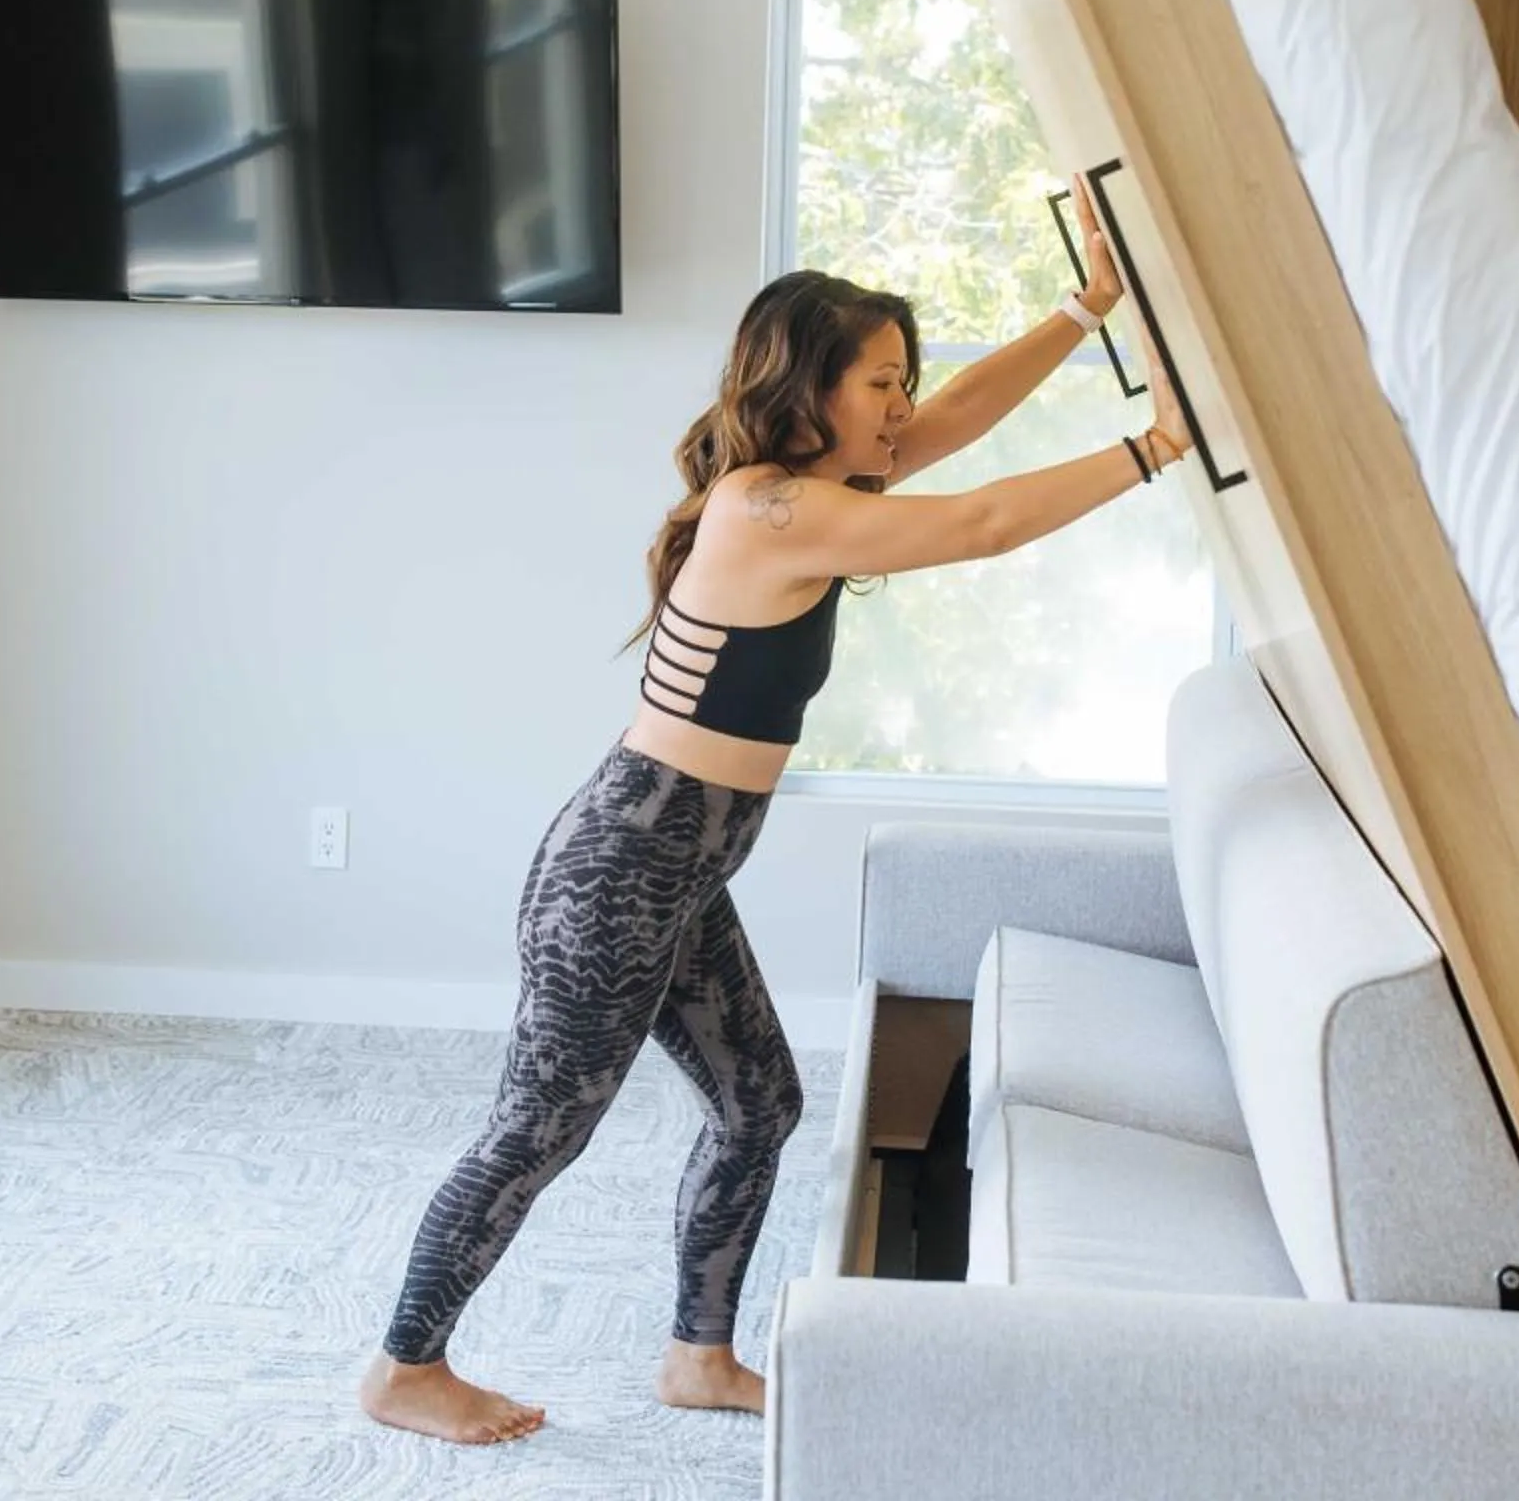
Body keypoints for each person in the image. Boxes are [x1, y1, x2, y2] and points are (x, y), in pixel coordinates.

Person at [359, 174, 1193, 1446]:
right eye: (880, 382)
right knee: (534, 1130)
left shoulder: (809, 492)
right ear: (807, 388)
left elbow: (957, 426)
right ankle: (404, 1364)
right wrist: (1155, 446)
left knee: (761, 1104)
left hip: (677, 877)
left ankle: (698, 1353)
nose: (904, 404)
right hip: (619, 875)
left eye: (905, 380)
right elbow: (973, 523)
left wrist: (1083, 309)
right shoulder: (768, 506)